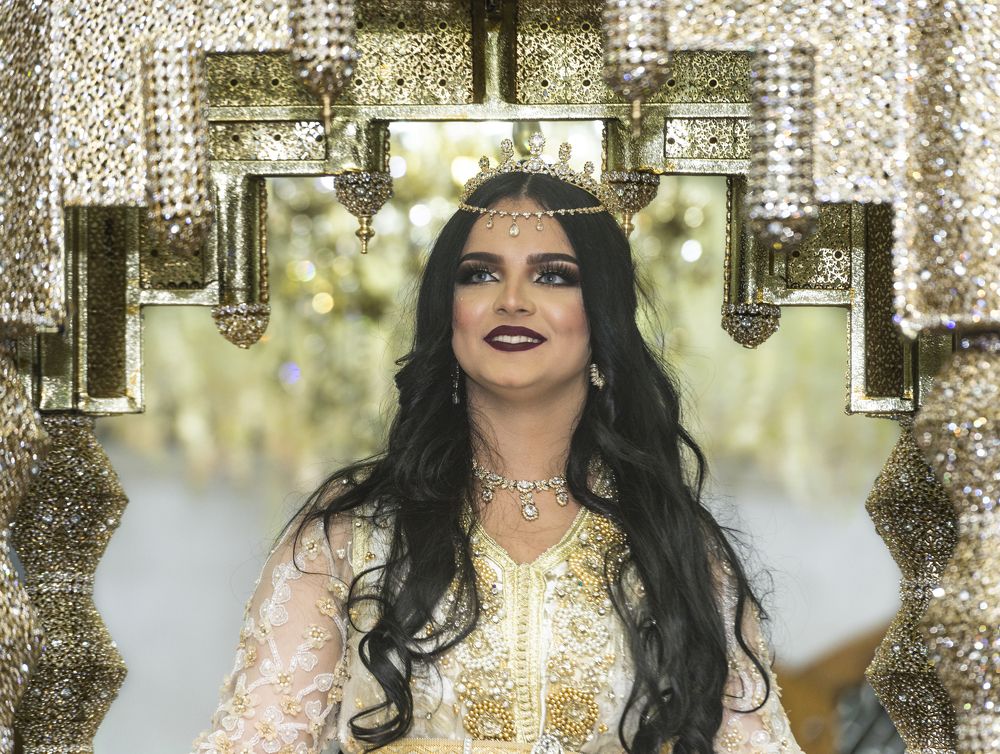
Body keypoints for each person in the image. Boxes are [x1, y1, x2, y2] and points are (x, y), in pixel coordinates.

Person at [190, 135, 803, 754]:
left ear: (601, 316)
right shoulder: (354, 531)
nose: (512, 301)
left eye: (553, 276)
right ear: (449, 310)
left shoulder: (670, 539)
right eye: (480, 274)